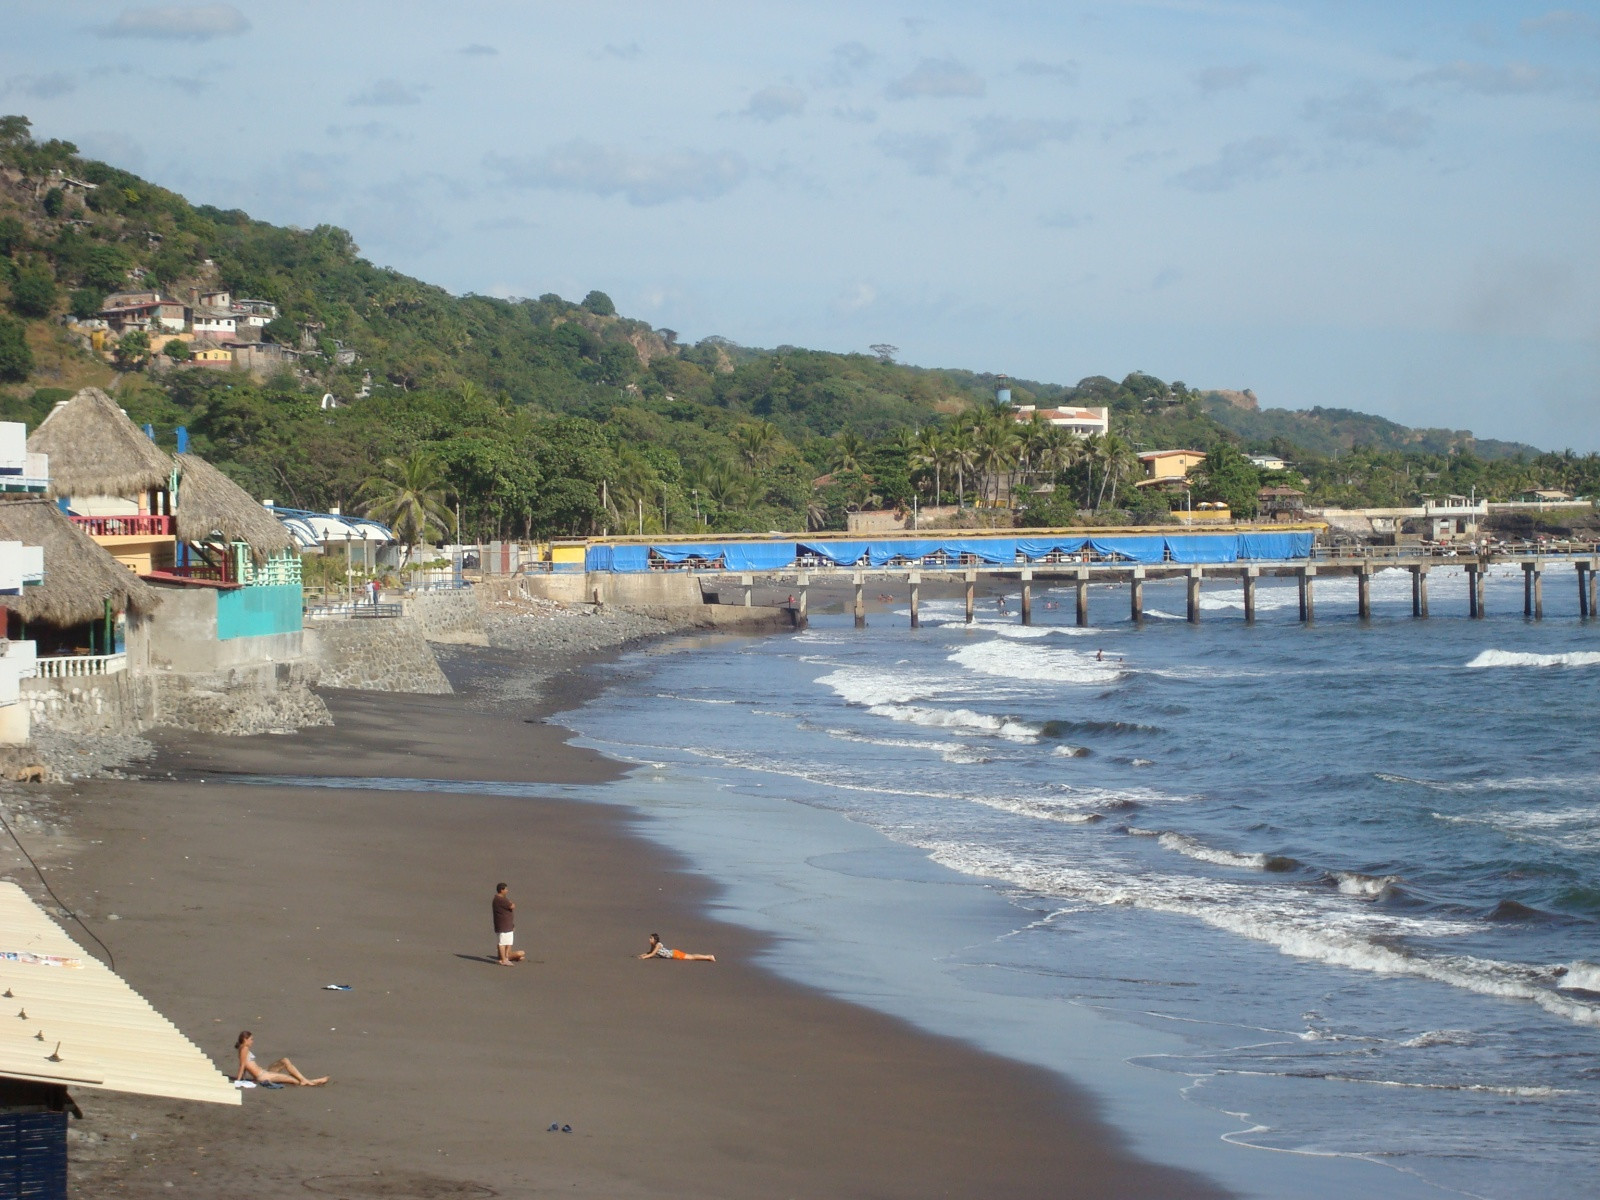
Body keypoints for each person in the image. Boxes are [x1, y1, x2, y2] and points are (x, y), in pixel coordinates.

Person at [234, 1031, 327, 1087]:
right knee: (292, 1079)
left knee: (285, 1060)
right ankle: (311, 1081)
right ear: (245, 1040)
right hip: (263, 1076)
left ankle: (305, 1080)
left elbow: (245, 1065)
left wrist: (244, 1078)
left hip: (265, 1072)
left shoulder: (243, 1048)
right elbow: (242, 1065)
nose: (252, 1041)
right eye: (251, 1039)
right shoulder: (244, 1049)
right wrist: (239, 1081)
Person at [493, 882, 524, 965]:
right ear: (501, 890)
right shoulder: (500, 899)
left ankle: (506, 957)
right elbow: (512, 906)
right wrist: (511, 903)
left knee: (509, 942)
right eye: (506, 889)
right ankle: (504, 960)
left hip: (508, 925)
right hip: (503, 926)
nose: (507, 890)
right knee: (502, 943)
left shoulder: (501, 899)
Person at [639, 932, 714, 962]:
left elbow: (652, 954)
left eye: (651, 938)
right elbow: (651, 952)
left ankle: (708, 957)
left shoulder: (658, 945)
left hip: (674, 954)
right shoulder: (653, 945)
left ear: (655, 940)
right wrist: (644, 954)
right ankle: (708, 957)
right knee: (691, 956)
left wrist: (644, 957)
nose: (649, 939)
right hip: (672, 953)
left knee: (691, 957)